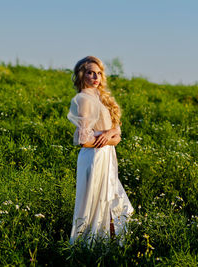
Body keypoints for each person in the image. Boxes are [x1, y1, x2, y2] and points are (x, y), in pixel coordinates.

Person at [67, 56, 134, 245]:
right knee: (94, 205)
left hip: (107, 156)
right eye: (90, 72)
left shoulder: (101, 97)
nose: (95, 76)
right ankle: (88, 249)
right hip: (94, 158)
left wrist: (110, 132)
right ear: (82, 75)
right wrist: (107, 139)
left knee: (114, 202)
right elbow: (83, 141)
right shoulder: (84, 99)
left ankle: (108, 248)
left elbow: (118, 137)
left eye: (98, 73)